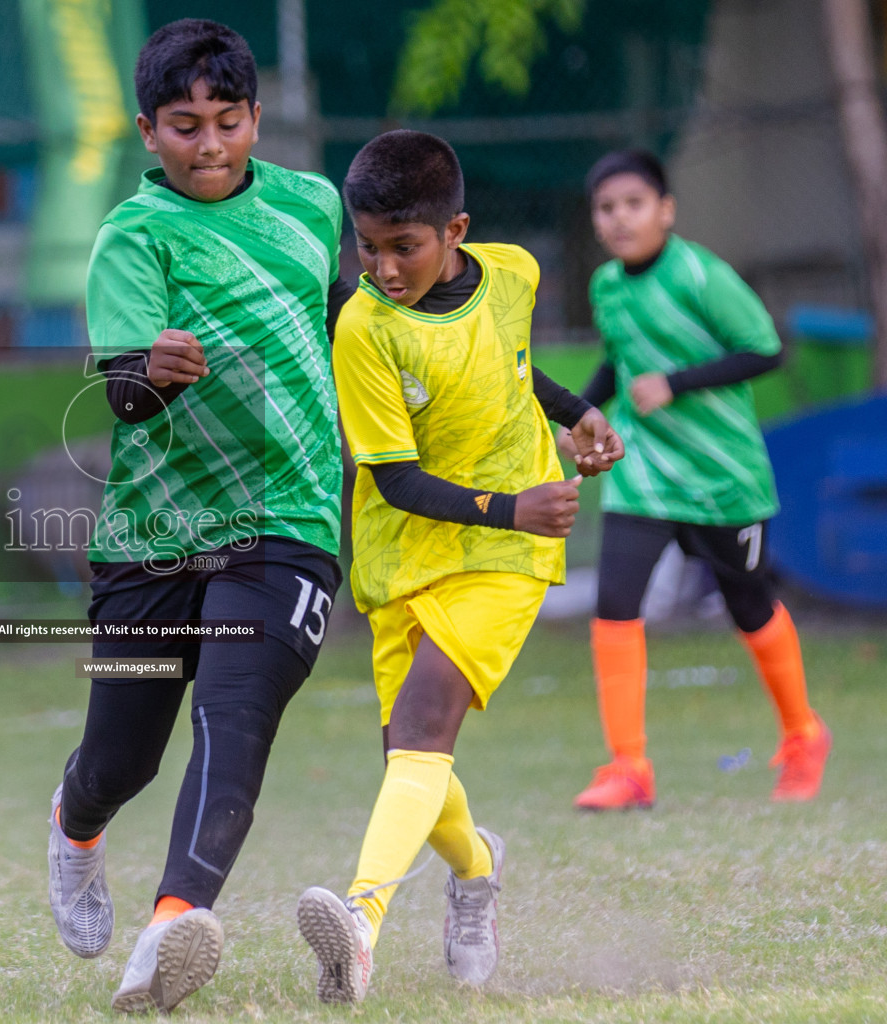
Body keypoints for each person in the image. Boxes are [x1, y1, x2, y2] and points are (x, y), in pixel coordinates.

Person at [44, 19, 354, 1013]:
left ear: (257, 118)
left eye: (227, 121)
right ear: (147, 130)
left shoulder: (310, 205)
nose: (209, 144)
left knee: (236, 712)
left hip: (288, 519)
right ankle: (72, 823)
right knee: (118, 759)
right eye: (184, 125)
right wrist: (152, 373)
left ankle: (164, 934)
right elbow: (124, 397)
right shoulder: (131, 238)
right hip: (154, 533)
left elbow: (346, 314)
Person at [296, 129, 622, 1004]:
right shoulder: (364, 327)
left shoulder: (512, 270)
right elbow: (394, 480)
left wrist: (575, 410)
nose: (383, 267)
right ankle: (475, 874)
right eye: (367, 246)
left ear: (456, 231)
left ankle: (357, 930)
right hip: (406, 551)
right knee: (409, 751)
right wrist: (512, 502)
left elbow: (508, 364)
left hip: (510, 551)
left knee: (425, 722)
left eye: (404, 247)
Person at [568, 149, 831, 811]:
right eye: (605, 208)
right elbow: (619, 360)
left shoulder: (698, 275)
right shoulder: (605, 286)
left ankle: (802, 734)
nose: (619, 218)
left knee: (749, 606)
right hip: (644, 474)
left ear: (665, 210)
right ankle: (627, 768)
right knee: (614, 605)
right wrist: (580, 412)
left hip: (721, 479)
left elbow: (766, 348)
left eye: (632, 204)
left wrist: (677, 384)